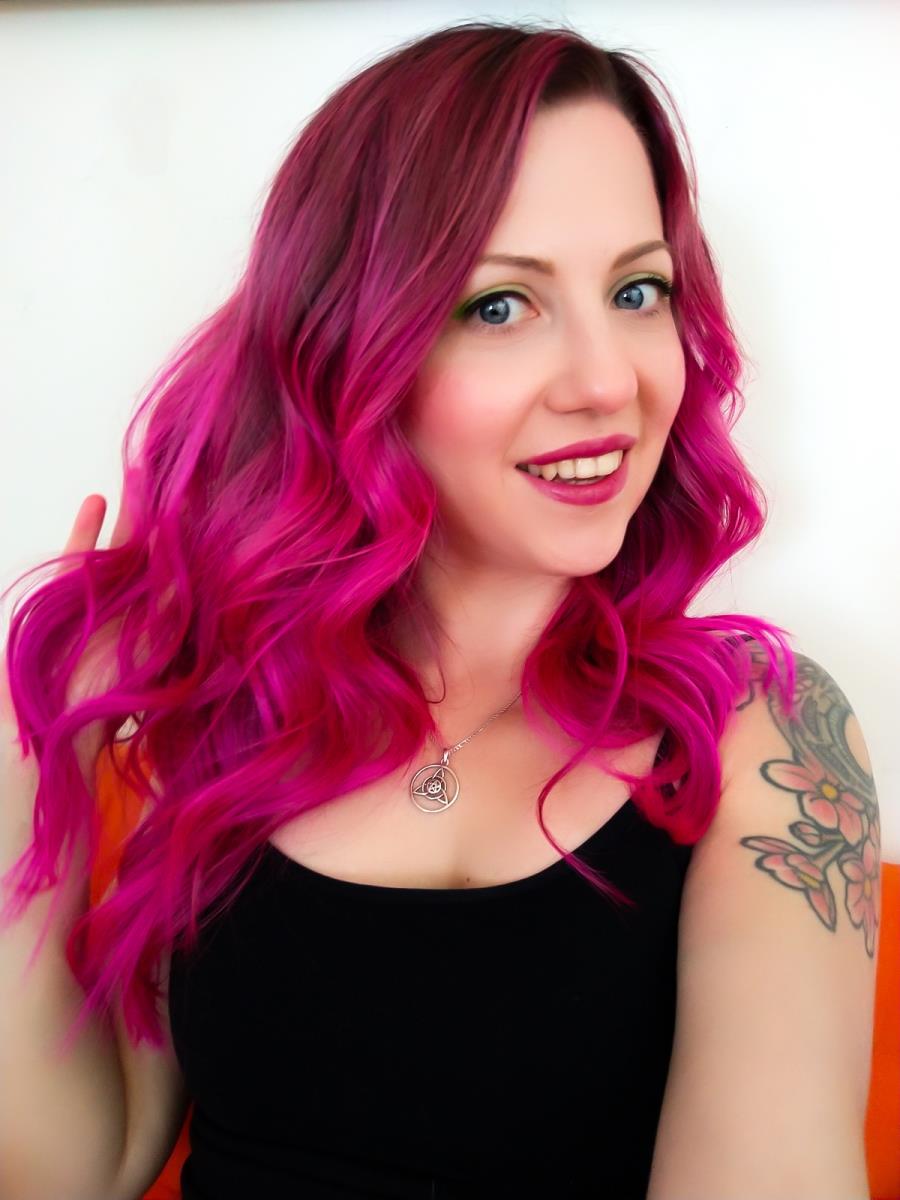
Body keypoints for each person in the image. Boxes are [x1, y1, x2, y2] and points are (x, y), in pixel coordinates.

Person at [0, 18, 878, 1200]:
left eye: (638, 290)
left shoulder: (762, 730)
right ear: (350, 349)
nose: (608, 380)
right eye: (501, 307)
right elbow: (74, 1169)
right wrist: (34, 729)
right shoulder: (235, 702)